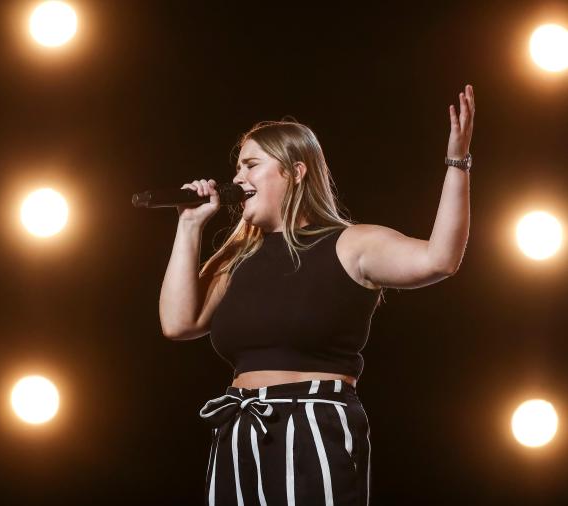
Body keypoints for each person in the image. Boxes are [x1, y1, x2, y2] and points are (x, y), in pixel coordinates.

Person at [159, 85, 474, 506]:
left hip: (313, 426)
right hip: (239, 428)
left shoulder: (350, 244)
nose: (237, 179)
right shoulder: (235, 258)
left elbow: (440, 259)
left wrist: (458, 162)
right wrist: (189, 226)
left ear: (295, 171)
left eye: (251, 165)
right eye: (237, 168)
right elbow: (178, 323)